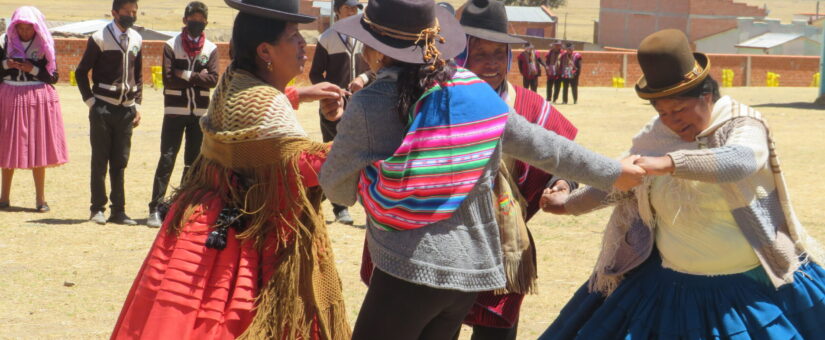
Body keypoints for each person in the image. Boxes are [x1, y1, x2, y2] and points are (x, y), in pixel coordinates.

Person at [319, 0, 645, 339]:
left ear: (376, 49)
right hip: (469, 274)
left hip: (408, 270)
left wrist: (374, 178)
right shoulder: (474, 94)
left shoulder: (371, 103)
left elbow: (338, 189)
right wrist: (612, 171)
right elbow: (546, 147)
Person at [538, 29, 825, 340]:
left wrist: (668, 164)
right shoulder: (655, 137)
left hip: (749, 285)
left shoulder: (742, 124)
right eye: (663, 112)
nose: (672, 120)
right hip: (669, 286)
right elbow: (622, 183)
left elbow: (739, 161)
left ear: (706, 96)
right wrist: (567, 205)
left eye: (679, 109)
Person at [110, 0, 351, 339]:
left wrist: (299, 94)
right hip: (243, 238)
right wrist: (357, 130)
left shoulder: (233, 80)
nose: (303, 45)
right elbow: (302, 166)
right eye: (294, 36)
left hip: (208, 224)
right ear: (265, 50)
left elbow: (257, 116)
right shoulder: (266, 104)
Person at [456, 1, 579, 338]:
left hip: (504, 246)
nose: (492, 63)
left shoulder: (529, 107)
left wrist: (562, 184)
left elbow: (563, 159)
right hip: (447, 247)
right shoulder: (434, 103)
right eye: (480, 53)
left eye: (500, 52)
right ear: (459, 54)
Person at [146, 1, 218, 228]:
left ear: (205, 22)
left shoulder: (211, 49)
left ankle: (182, 206)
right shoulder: (171, 45)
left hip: (199, 113)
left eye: (201, 19)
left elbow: (214, 79)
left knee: (193, 162)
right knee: (167, 158)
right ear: (185, 20)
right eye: (193, 18)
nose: (197, 22)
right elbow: (168, 77)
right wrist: (199, 75)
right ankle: (155, 208)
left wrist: (186, 74)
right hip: (175, 111)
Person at [76, 0, 143, 225]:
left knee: (120, 161)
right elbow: (81, 72)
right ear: (115, 13)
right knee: (100, 160)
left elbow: (139, 74)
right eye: (127, 12)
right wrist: (91, 102)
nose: (132, 15)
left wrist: (138, 105)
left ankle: (119, 211)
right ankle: (97, 208)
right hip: (103, 107)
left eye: (134, 12)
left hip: (126, 110)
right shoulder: (99, 38)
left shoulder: (137, 39)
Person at [308, 0, 371, 225]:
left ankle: (367, 203)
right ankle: (339, 207)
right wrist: (330, 92)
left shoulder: (366, 36)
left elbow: (375, 68)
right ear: (337, 11)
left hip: (361, 105)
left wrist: (363, 79)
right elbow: (315, 74)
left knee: (363, 155)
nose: (353, 12)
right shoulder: (327, 38)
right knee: (334, 153)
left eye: (355, 8)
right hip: (333, 107)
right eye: (348, 8)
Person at [0, 6, 67, 212]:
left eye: (29, 28)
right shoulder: (4, 42)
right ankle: (4, 197)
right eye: (20, 28)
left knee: (39, 146)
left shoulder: (45, 44)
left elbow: (53, 77)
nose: (24, 32)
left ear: (36, 27)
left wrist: (33, 69)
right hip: (10, 96)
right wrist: (6, 65)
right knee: (7, 145)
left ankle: (40, 199)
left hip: (38, 99)